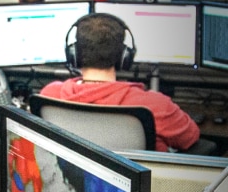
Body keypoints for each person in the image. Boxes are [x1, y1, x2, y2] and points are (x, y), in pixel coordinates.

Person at [40, 13, 201, 152]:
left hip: (73, 184)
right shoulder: (153, 105)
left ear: (73, 54)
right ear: (124, 57)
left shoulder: (50, 95)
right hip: (139, 187)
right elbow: (190, 137)